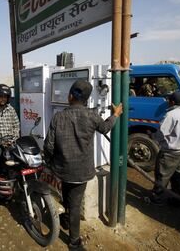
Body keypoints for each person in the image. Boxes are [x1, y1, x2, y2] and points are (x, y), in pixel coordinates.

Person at [44, 80, 123, 250]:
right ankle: (74, 241)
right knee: (75, 203)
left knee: (67, 195)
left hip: (62, 169)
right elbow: (105, 127)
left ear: (70, 96)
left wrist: (49, 163)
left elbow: (49, 146)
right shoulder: (91, 115)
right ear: (86, 99)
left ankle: (68, 226)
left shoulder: (58, 117)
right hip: (81, 172)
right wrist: (116, 114)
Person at [151, 91, 180, 206]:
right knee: (178, 176)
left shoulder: (171, 115)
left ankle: (157, 200)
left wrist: (155, 138)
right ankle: (178, 200)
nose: (168, 102)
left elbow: (161, 133)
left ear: (173, 102)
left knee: (162, 176)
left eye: (169, 100)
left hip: (170, 153)